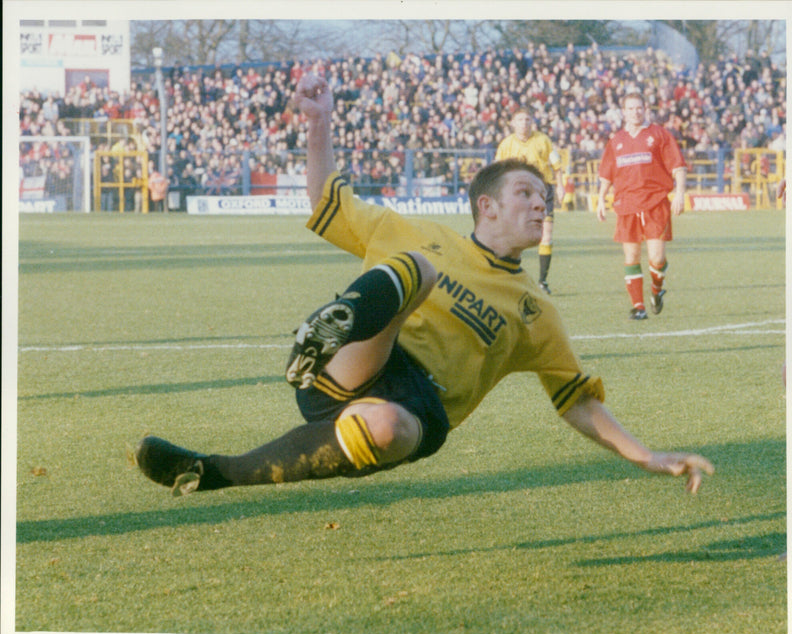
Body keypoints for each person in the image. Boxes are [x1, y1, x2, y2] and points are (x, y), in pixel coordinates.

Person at [134, 73, 714, 498]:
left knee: (384, 428)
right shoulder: (419, 232)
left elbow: (577, 403)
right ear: (486, 206)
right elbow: (327, 201)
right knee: (421, 268)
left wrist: (648, 456)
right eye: (525, 195)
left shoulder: (536, 309)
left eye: (544, 199)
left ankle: (214, 472)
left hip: (418, 409)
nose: (540, 205)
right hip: (360, 360)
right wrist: (319, 123)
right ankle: (324, 338)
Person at [596, 91, 687, 320]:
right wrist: (600, 199)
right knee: (631, 256)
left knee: (656, 258)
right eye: (630, 109)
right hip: (626, 205)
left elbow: (678, 166)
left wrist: (680, 193)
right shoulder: (616, 141)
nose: (635, 112)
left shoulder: (659, 135)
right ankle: (638, 306)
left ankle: (657, 289)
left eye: (639, 108)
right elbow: (607, 174)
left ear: (645, 109)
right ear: (623, 112)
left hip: (655, 203)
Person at [495, 108, 565, 294]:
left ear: (531, 121)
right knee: (514, 234)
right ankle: (510, 277)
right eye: (520, 120)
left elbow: (557, 166)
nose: (524, 123)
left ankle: (542, 282)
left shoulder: (543, 140)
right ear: (512, 123)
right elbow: (497, 171)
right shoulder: (506, 145)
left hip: (543, 190)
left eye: (527, 120)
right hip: (517, 193)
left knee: (546, 235)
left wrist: (560, 186)